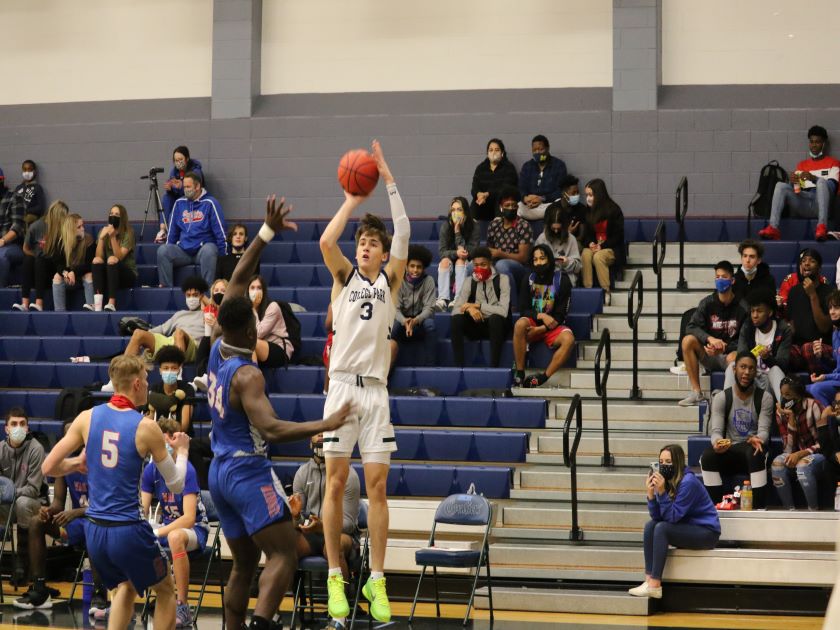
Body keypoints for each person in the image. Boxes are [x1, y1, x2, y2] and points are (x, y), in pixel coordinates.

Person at [206, 195, 350, 630]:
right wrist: (324, 423)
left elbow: (238, 274)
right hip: (246, 471)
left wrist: (265, 233)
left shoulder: (217, 339)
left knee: (244, 564)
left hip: (218, 469)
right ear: (251, 329)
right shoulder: (248, 374)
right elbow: (270, 427)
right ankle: (261, 625)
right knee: (285, 552)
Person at [319, 139, 408, 625]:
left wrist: (387, 178)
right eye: (364, 242)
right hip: (342, 389)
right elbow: (326, 243)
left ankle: (376, 579)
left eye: (373, 242)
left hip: (376, 392)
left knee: (377, 487)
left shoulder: (389, 282)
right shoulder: (345, 277)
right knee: (334, 483)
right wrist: (352, 200)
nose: (367, 247)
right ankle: (336, 574)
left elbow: (406, 231)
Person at [42, 354, 189, 630]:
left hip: (95, 531)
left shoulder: (87, 417)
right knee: (167, 589)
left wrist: (76, 462)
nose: (148, 385)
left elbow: (48, 466)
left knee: (126, 586)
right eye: (146, 380)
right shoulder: (146, 426)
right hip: (128, 530)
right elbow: (176, 484)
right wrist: (182, 452)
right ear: (135, 384)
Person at [14, 421, 107, 614]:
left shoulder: (100, 462)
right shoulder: (66, 465)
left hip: (99, 521)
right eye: (67, 436)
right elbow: (57, 502)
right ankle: (40, 589)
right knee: (36, 522)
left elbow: (104, 507)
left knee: (92, 528)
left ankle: (100, 594)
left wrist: (76, 512)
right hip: (76, 525)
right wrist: (47, 511)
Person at [141, 417, 210, 628]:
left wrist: (158, 532)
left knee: (174, 536)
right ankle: (149, 596)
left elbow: (189, 518)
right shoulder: (150, 471)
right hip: (167, 527)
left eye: (164, 442)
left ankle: (182, 606)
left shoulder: (186, 470)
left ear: (172, 441)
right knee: (134, 535)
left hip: (195, 529)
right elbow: (142, 510)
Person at [628, 444, 720, 599]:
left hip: (706, 532)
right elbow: (657, 518)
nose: (664, 466)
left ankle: (655, 585)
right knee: (651, 526)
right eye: (661, 462)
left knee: (662, 528)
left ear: (677, 462)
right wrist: (651, 495)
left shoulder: (688, 482)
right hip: (688, 528)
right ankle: (648, 580)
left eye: (668, 462)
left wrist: (662, 492)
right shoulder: (668, 481)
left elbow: (672, 518)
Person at [289, 434, 361, 613]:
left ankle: (341, 606)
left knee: (332, 546)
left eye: (326, 435)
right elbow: (297, 520)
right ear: (309, 443)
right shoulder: (302, 473)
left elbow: (349, 524)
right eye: (318, 434)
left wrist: (323, 526)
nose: (321, 438)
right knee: (283, 544)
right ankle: (272, 609)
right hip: (312, 533)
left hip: (343, 536)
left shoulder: (349, 475)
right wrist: (295, 516)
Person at [101, 276, 208, 393]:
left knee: (179, 332)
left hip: (193, 347)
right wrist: (144, 338)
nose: (191, 298)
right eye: (188, 295)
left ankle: (177, 376)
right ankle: (119, 379)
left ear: (202, 295)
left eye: (195, 295)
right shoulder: (179, 314)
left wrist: (206, 301)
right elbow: (161, 329)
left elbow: (218, 308)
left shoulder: (208, 313)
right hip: (172, 342)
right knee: (138, 334)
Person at [700, 352, 774, 510]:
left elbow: (764, 432)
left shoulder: (765, 398)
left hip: (753, 450)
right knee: (707, 456)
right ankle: (715, 507)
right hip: (730, 449)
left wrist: (758, 439)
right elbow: (716, 431)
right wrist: (717, 443)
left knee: (755, 451)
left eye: (751, 368)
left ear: (756, 372)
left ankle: (759, 509)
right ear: (734, 370)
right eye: (743, 367)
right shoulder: (722, 397)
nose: (747, 372)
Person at [679, 261, 747, 407]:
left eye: (724, 277)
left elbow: (745, 340)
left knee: (736, 356)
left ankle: (728, 398)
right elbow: (691, 327)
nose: (720, 280)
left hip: (730, 355)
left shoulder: (742, 306)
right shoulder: (707, 303)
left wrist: (724, 347)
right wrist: (709, 339)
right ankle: (696, 392)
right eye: (717, 277)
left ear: (732, 280)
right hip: (709, 353)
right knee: (687, 341)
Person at [759, 125, 840, 242]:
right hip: (804, 203)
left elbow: (832, 188)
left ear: (824, 143)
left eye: (817, 142)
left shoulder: (833, 163)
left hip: (821, 205)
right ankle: (773, 227)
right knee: (781, 186)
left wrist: (814, 179)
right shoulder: (802, 165)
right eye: (811, 142)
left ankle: (822, 226)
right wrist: (794, 183)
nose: (814, 145)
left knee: (822, 182)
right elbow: (797, 191)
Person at [512, 244, 574, 388]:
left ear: (550, 260)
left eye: (542, 258)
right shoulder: (529, 278)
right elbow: (523, 309)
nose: (538, 263)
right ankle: (520, 374)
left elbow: (561, 316)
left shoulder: (562, 280)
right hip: (533, 321)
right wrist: (540, 315)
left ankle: (543, 377)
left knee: (569, 339)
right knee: (520, 324)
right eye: (535, 260)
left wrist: (541, 329)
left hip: (552, 326)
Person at [0, 408, 46, 585]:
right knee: (16, 502)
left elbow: (33, 489)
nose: (18, 427)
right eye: (14, 424)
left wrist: (8, 493)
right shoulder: (1, 449)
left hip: (34, 503)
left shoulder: (36, 449)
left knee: (22, 502)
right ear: (6, 429)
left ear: (27, 428)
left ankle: (22, 563)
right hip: (7, 504)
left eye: (22, 424)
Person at [157, 172, 227, 287]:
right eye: (184, 187)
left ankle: (207, 292)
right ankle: (167, 291)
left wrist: (223, 258)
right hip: (183, 251)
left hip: (203, 250)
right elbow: (172, 233)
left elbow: (221, 233)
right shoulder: (179, 203)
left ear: (198, 186)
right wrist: (169, 245)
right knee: (163, 251)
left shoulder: (210, 203)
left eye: (188, 187)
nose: (185, 190)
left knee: (209, 250)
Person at [450, 246, 510, 368]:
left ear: (490, 263)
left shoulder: (503, 279)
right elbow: (456, 310)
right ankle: (459, 367)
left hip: (498, 326)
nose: (479, 268)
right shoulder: (469, 281)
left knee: (495, 319)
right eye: (476, 265)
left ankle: (494, 368)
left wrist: (478, 306)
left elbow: (503, 311)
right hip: (477, 324)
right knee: (456, 319)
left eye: (483, 265)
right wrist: (469, 309)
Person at [724, 290, 790, 401]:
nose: (754, 315)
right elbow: (741, 357)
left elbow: (783, 364)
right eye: (752, 311)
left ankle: (785, 409)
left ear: (769, 312)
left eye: (759, 311)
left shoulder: (783, 329)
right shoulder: (747, 327)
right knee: (732, 367)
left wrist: (767, 359)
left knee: (775, 370)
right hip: (750, 378)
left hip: (770, 381)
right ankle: (728, 405)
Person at [771, 377, 825, 511]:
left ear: (799, 395)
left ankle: (813, 510)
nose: (784, 399)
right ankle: (790, 511)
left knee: (802, 466)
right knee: (777, 465)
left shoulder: (814, 406)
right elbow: (788, 449)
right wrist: (791, 422)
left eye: (788, 395)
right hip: (796, 453)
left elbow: (824, 443)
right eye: (782, 394)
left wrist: (802, 453)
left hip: (819, 454)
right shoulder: (781, 412)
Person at [13, 200, 68, 312]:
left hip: (53, 269)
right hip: (38, 269)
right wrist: (37, 255)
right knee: (29, 259)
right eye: (63, 217)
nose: (64, 220)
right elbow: (25, 249)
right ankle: (25, 303)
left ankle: (39, 303)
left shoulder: (63, 229)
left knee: (40, 261)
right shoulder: (36, 226)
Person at [786, 248, 833, 376]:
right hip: (800, 349)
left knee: (808, 348)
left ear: (819, 268)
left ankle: (816, 383)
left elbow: (824, 327)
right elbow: (792, 325)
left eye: (811, 261)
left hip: (821, 347)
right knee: (784, 351)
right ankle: (792, 390)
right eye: (803, 261)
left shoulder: (829, 292)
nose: (806, 263)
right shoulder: (794, 291)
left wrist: (812, 295)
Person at [391, 245, 437, 367]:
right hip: (403, 323)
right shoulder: (399, 281)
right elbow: (395, 308)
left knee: (430, 325)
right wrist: (404, 321)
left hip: (420, 323)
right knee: (392, 326)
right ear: (406, 266)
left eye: (419, 267)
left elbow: (429, 308)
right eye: (412, 266)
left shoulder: (429, 281)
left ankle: (430, 366)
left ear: (424, 268)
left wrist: (416, 320)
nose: (415, 270)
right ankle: (386, 364)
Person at [580, 178, 624, 305]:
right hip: (595, 246)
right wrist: (590, 243)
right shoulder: (587, 211)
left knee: (598, 257)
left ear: (598, 195)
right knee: (585, 254)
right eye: (587, 195)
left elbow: (618, 236)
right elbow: (586, 235)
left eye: (590, 195)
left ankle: (606, 291)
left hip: (611, 249)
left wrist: (602, 246)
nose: (588, 198)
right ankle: (588, 290)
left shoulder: (614, 210)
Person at [486, 187, 533, 304]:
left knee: (502, 265)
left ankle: (512, 305)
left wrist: (500, 254)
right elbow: (489, 250)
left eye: (514, 205)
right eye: (507, 205)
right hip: (496, 263)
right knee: (473, 266)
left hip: (520, 269)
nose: (511, 208)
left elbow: (523, 258)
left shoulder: (523, 225)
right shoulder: (494, 224)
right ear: (501, 207)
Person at [42, 213, 96, 311]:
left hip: (81, 276)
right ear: (71, 230)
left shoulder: (88, 240)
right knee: (57, 276)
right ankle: (59, 312)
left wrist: (74, 272)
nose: (83, 229)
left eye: (82, 225)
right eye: (79, 227)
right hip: (69, 279)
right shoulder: (61, 242)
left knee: (89, 274)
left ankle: (91, 307)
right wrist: (65, 273)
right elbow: (58, 264)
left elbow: (89, 264)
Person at [436, 197, 480, 311]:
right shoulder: (445, 226)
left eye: (459, 209)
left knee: (461, 260)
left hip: (469, 265)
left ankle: (459, 299)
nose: (455, 213)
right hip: (451, 264)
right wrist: (456, 253)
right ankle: (443, 300)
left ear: (465, 211)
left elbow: (471, 252)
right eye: (453, 210)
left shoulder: (474, 226)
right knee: (444, 261)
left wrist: (457, 232)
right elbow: (442, 252)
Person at [92, 204, 136, 311]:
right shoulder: (104, 231)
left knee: (112, 259)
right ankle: (97, 303)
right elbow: (99, 256)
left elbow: (119, 257)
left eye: (117, 214)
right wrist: (102, 239)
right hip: (110, 273)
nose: (113, 216)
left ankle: (111, 302)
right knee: (96, 260)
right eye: (111, 213)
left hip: (126, 274)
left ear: (122, 218)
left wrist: (112, 237)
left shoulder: (128, 233)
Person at [158, 146, 204, 243]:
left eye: (181, 159)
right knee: (167, 198)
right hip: (179, 197)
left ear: (187, 159)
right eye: (176, 160)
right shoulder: (174, 171)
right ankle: (163, 230)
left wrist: (180, 186)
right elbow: (172, 184)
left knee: (178, 204)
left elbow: (192, 189)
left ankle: (173, 232)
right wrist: (170, 187)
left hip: (193, 197)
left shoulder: (196, 171)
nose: (178, 162)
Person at [249, 274, 295, 368]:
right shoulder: (245, 308)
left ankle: (254, 379)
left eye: (259, 288)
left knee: (251, 342)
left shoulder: (273, 307)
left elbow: (258, 333)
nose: (255, 291)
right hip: (257, 349)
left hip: (279, 349)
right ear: (247, 291)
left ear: (264, 291)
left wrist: (253, 309)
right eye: (252, 288)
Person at [517, 135, 567, 221]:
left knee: (560, 203)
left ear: (547, 149)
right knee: (517, 206)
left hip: (548, 205)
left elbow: (561, 190)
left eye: (541, 149)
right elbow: (521, 187)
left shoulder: (559, 165)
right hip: (529, 206)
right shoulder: (527, 166)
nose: (538, 153)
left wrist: (542, 198)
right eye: (535, 150)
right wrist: (525, 198)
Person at [469, 138, 518, 223]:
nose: (493, 152)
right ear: (487, 153)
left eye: (497, 150)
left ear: (502, 153)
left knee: (501, 194)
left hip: (501, 205)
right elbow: (474, 186)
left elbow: (506, 187)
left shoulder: (509, 168)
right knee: (475, 200)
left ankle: (498, 223)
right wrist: (478, 194)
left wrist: (487, 194)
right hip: (484, 205)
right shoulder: (481, 168)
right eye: (490, 150)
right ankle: (470, 225)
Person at [534, 202, 582, 285]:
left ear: (564, 227)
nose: (556, 231)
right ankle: (543, 298)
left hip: (565, 275)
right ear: (549, 226)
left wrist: (567, 263)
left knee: (558, 281)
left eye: (558, 229)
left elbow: (578, 267)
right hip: (546, 273)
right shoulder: (542, 238)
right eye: (553, 228)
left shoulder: (571, 239)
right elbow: (534, 261)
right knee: (530, 279)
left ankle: (548, 297)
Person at [808, 290, 840, 406]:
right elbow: (836, 366)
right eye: (830, 308)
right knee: (803, 389)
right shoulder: (836, 332)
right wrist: (821, 357)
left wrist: (825, 377)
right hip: (837, 380)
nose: (831, 312)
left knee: (816, 389)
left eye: (836, 308)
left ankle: (833, 420)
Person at [732, 239, 776, 309]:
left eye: (752, 257)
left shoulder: (769, 280)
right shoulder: (733, 280)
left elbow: (771, 307)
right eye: (745, 256)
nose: (747, 260)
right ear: (741, 258)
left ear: (759, 260)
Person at [0, 168, 25, 287]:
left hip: (13, 245)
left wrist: (3, 240)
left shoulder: (14, 198)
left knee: (1, 256)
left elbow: (17, 227)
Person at [555, 174, 588, 248]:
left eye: (578, 192)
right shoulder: (553, 209)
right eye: (573, 193)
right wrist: (567, 233)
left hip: (575, 243)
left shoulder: (582, 209)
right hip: (556, 242)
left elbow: (581, 237)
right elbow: (549, 234)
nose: (576, 195)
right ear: (564, 193)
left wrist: (570, 239)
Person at [14, 160, 46, 225]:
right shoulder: (18, 188)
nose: (27, 172)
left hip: (30, 217)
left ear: (34, 171)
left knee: (24, 220)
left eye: (29, 170)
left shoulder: (38, 188)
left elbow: (41, 208)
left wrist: (26, 210)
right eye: (24, 170)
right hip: (17, 216)